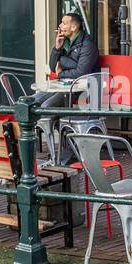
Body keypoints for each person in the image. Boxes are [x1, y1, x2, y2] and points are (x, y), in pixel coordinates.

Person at [38, 13, 97, 163]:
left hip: (81, 92)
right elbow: (52, 66)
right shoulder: (65, 42)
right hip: (63, 87)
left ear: (74, 26)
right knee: (32, 102)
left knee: (46, 107)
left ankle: (62, 152)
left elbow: (82, 72)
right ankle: (63, 147)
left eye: (64, 23)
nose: (60, 26)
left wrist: (60, 73)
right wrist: (57, 48)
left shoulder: (87, 44)